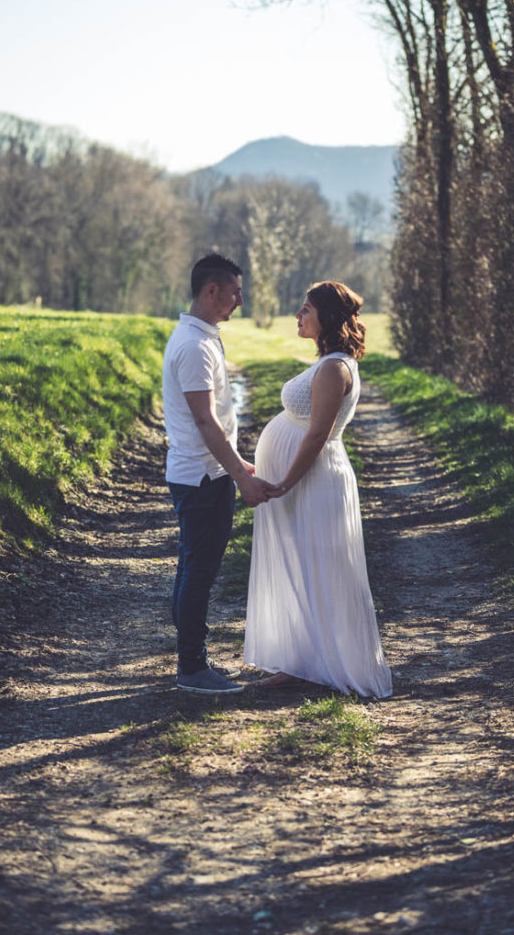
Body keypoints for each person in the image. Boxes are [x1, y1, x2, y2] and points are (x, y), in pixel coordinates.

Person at [244, 280, 393, 698]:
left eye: (306, 309)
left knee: (317, 567)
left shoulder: (333, 368)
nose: (298, 316)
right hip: (306, 480)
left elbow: (316, 436)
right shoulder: (330, 361)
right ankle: (302, 661)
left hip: (313, 481)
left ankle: (321, 664)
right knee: (301, 563)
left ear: (326, 317)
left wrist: (286, 482)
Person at [163, 253, 274, 695]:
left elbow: (216, 421)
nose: (240, 302)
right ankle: (192, 667)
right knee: (199, 572)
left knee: (192, 565)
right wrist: (241, 479)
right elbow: (205, 422)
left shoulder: (200, 336)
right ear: (211, 291)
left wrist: (238, 464)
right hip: (203, 478)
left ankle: (189, 658)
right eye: (235, 292)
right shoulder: (193, 345)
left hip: (204, 472)